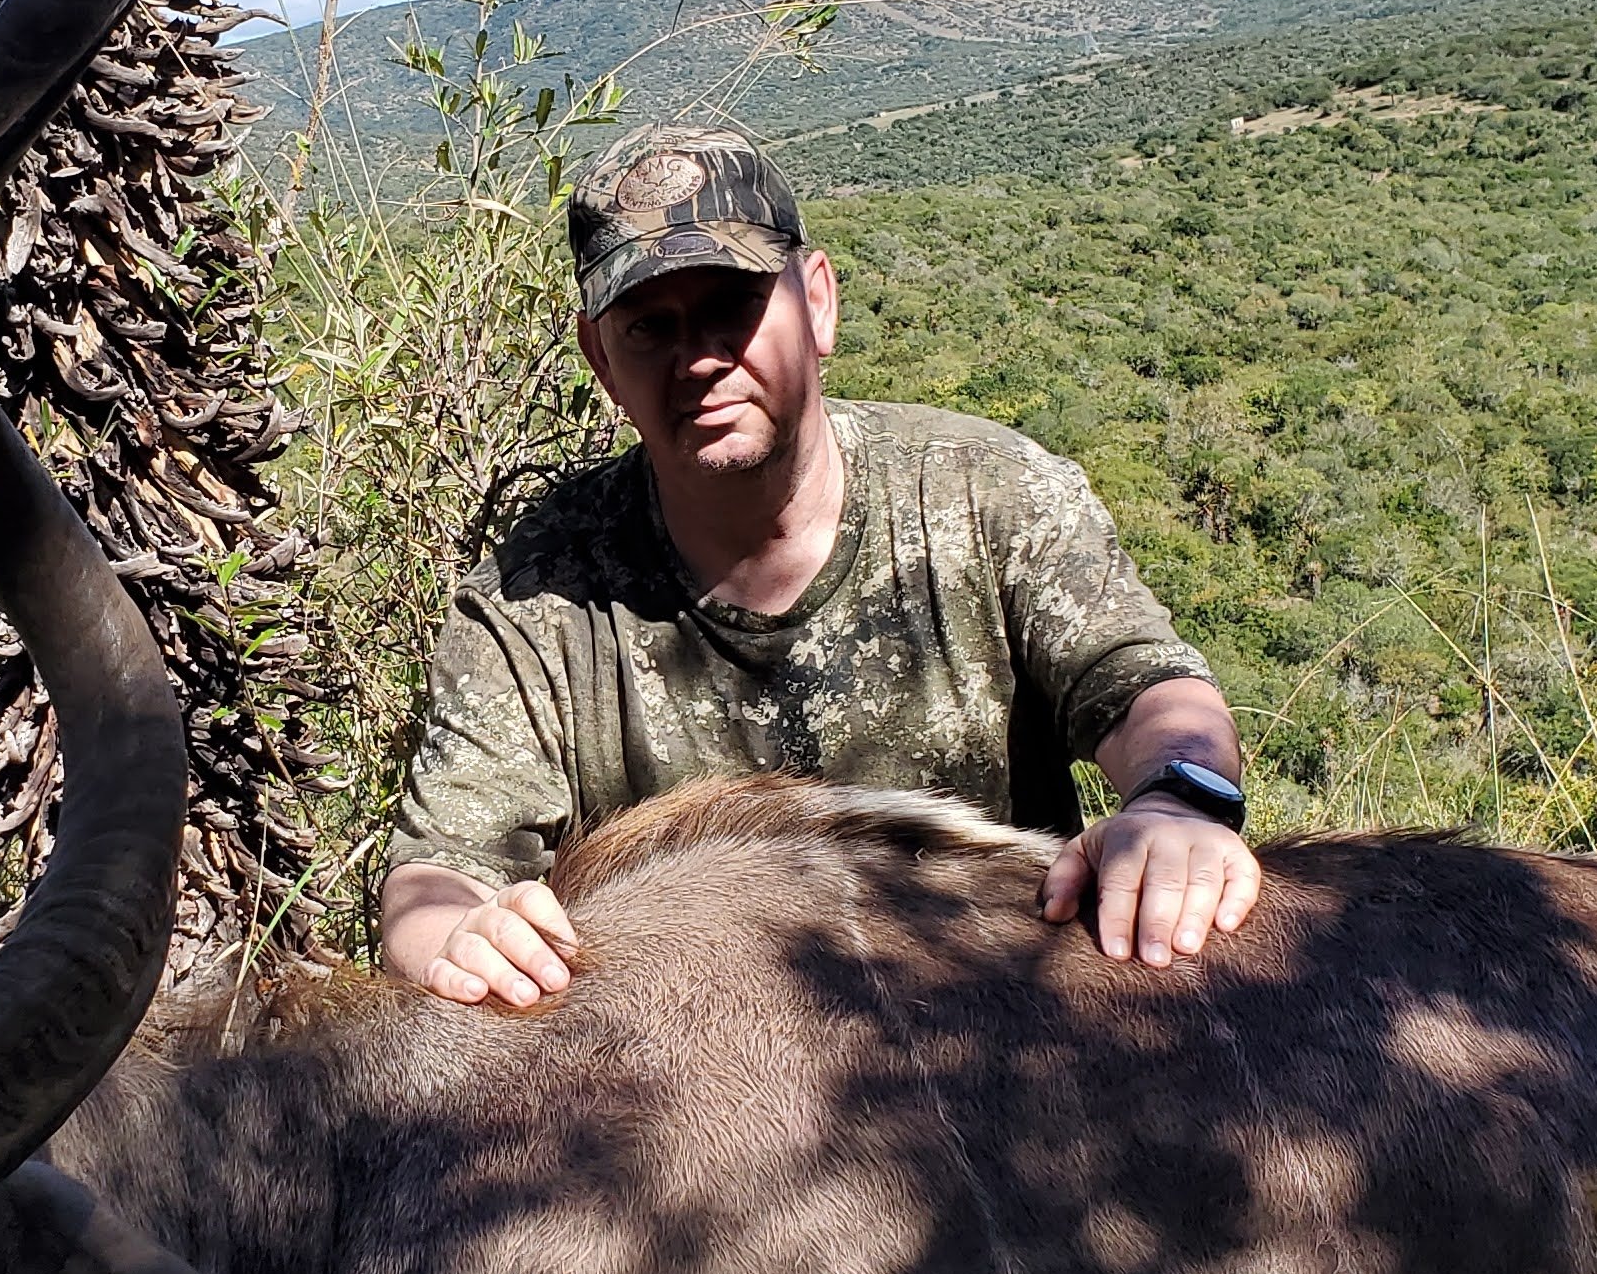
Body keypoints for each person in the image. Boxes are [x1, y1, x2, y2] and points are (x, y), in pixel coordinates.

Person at [380, 120, 1261, 1008]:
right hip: (705, 1070)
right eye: (650, 328)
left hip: (1011, 1026)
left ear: (820, 301)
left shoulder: (990, 491)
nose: (699, 361)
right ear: (601, 361)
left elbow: (1149, 687)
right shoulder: (536, 592)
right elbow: (436, 878)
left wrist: (1176, 803)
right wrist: (459, 936)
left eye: (733, 306)